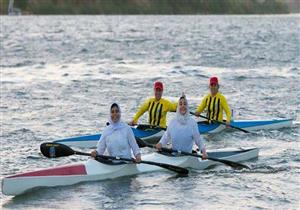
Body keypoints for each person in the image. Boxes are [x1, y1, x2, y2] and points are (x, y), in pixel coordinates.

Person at [155, 95, 207, 159]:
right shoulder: (172, 122)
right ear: (178, 107)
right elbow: (166, 136)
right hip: (174, 155)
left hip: (187, 157)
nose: (183, 106)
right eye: (180, 104)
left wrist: (204, 151)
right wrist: (160, 144)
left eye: (185, 104)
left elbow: (198, 139)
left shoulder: (192, 123)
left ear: (187, 107)